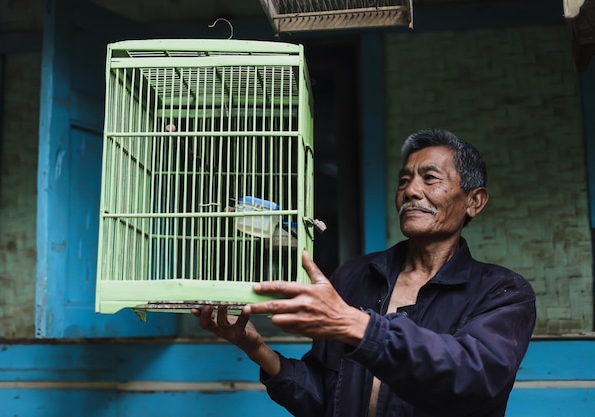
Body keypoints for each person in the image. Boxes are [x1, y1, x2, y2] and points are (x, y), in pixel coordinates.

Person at [192, 128, 537, 417]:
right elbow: (325, 399)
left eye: (430, 179)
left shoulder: (502, 292)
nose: (411, 191)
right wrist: (256, 348)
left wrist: (354, 324)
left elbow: (475, 378)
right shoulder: (355, 275)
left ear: (474, 201)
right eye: (404, 180)